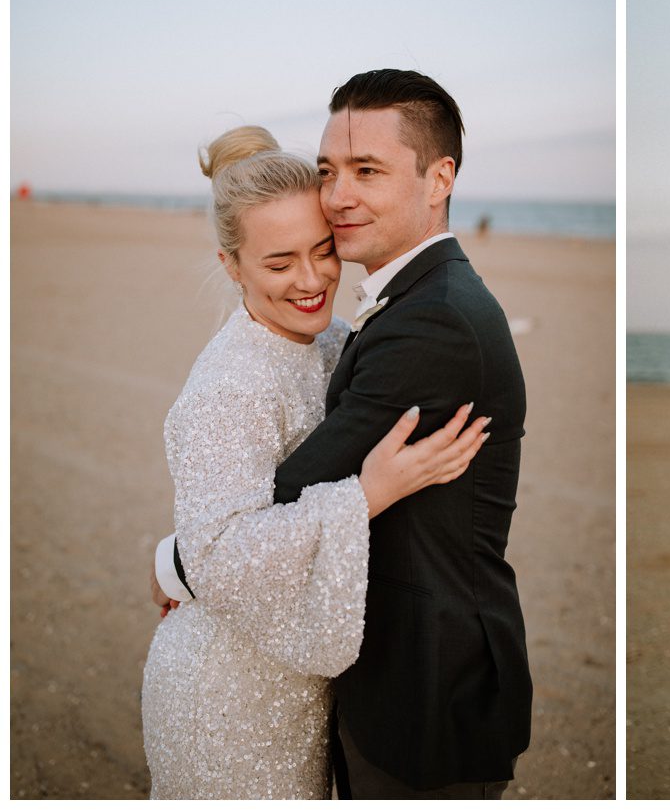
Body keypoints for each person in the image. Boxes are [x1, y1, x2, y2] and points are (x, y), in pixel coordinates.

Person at [151, 70, 535, 797]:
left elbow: (289, 489)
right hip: (255, 682)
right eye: (331, 171)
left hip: (421, 682)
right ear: (231, 264)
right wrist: (193, 552)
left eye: (367, 170)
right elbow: (260, 509)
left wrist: (178, 561)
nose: (341, 195)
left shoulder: (421, 319)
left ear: (438, 177)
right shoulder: (367, 321)